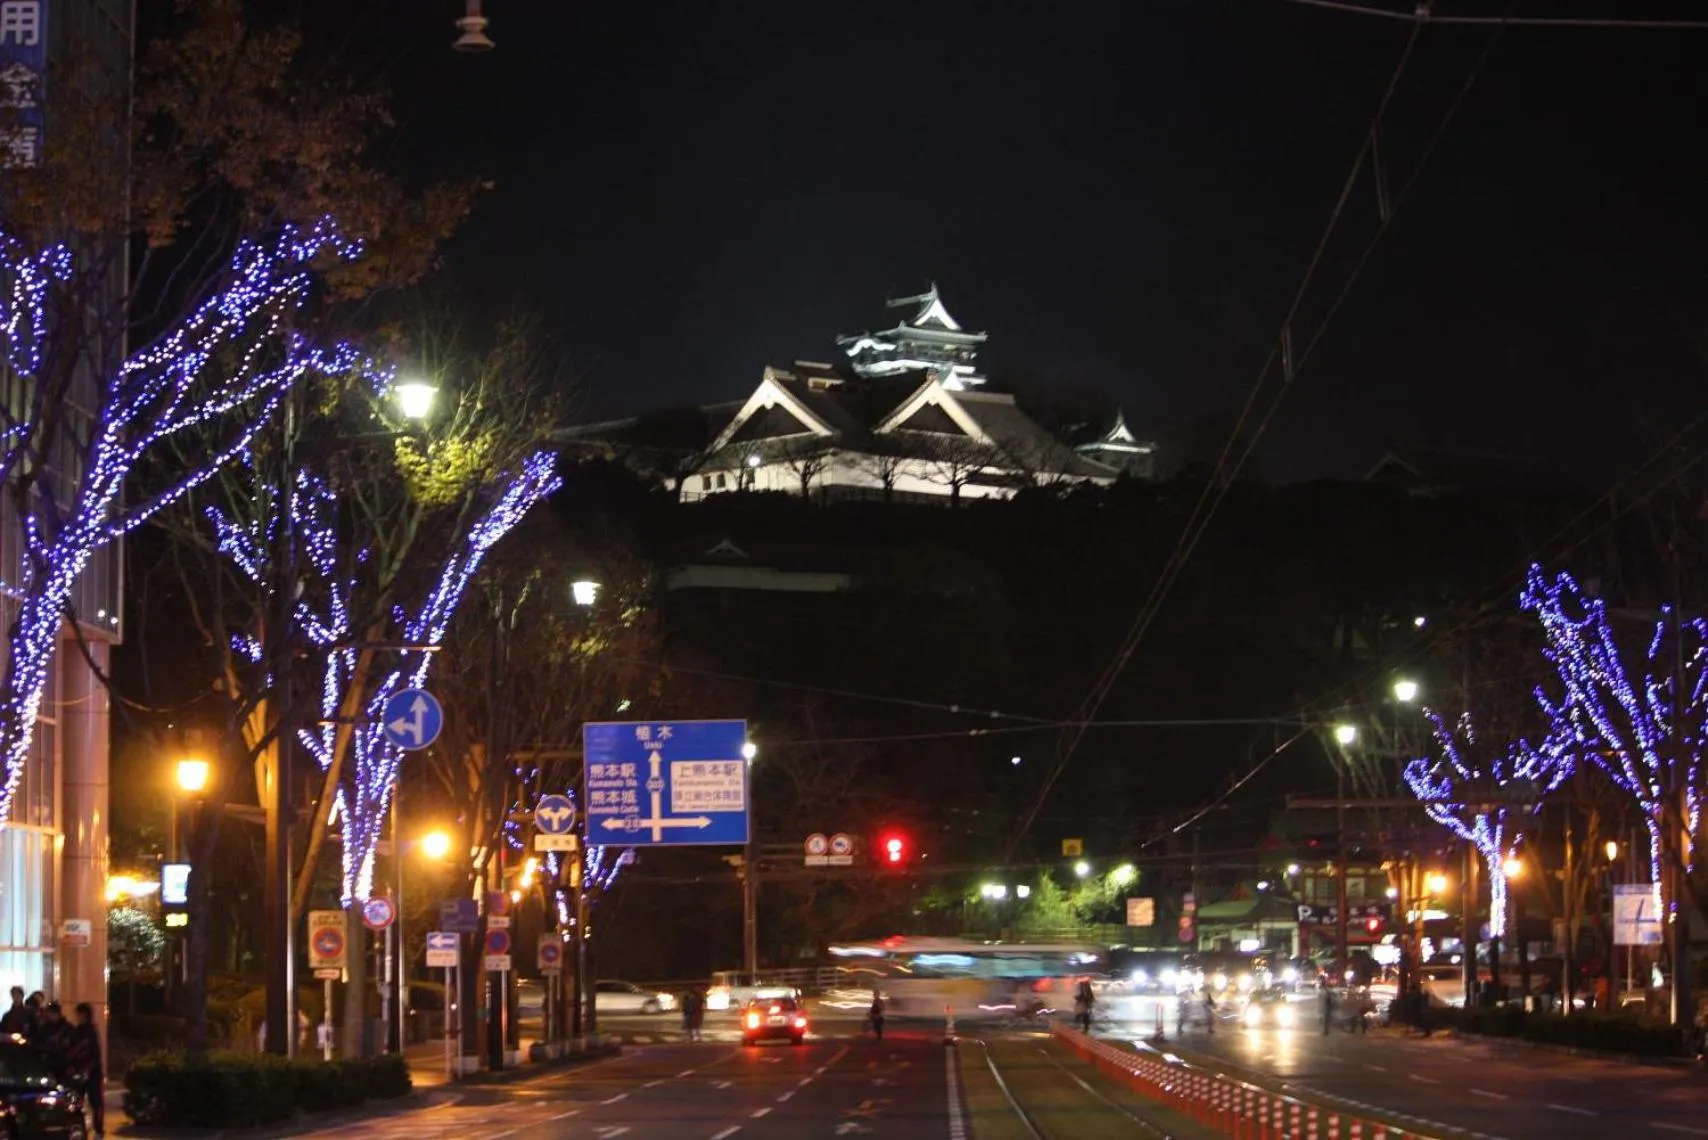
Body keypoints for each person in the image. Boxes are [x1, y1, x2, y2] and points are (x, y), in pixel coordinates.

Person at [66, 1003, 103, 1137]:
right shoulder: (80, 1031)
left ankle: (97, 1130)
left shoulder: (88, 1032)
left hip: (90, 1073)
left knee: (93, 1102)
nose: (76, 1017)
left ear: (84, 1015)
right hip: (82, 1072)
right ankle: (83, 1129)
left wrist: (86, 1070)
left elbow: (94, 1054)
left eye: (78, 1014)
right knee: (81, 1102)